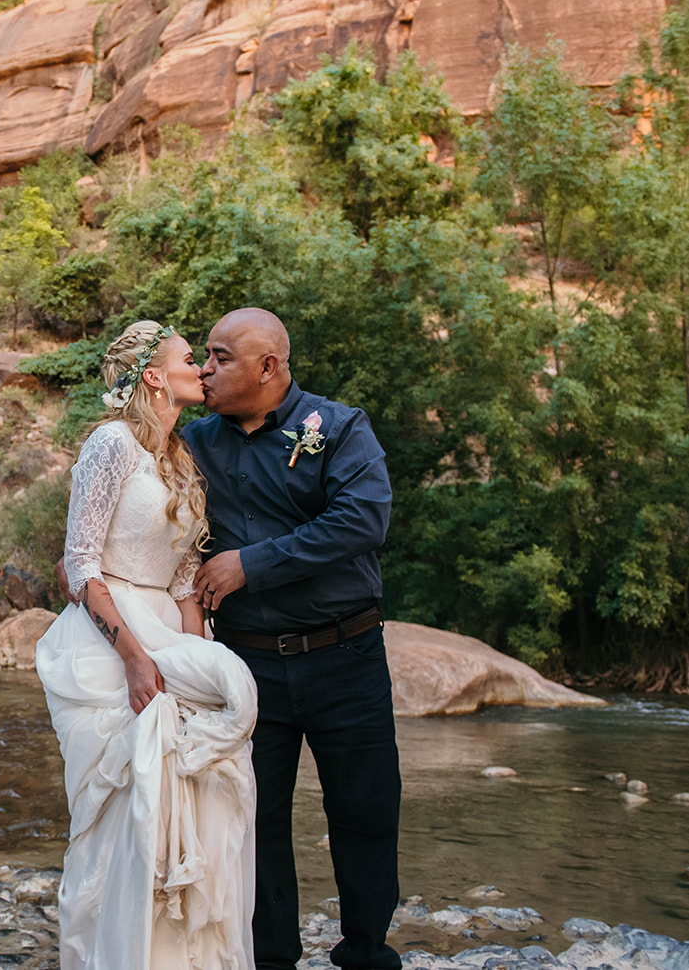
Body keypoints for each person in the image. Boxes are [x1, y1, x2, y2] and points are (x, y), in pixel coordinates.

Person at [36, 319, 259, 970]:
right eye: (191, 358)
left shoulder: (182, 457)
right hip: (112, 641)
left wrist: (200, 669)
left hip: (169, 627)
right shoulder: (111, 445)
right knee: (124, 818)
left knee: (205, 787)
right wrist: (136, 657)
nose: (204, 367)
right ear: (154, 375)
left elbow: (188, 582)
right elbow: (80, 564)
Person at [188, 307, 400, 970]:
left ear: (268, 366)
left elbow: (361, 520)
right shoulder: (193, 441)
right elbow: (133, 491)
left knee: (365, 812)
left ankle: (366, 955)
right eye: (203, 355)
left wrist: (252, 563)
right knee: (255, 824)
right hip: (248, 664)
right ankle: (270, 960)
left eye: (220, 357)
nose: (206, 368)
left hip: (348, 655)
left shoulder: (339, 428)